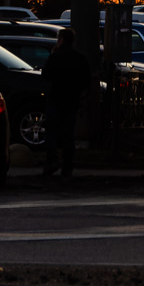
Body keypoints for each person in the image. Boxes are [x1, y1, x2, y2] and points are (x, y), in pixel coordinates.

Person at [41, 28, 91, 177]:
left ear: (61, 40)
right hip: (72, 100)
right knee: (68, 134)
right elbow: (86, 80)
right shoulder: (80, 58)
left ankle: (52, 161)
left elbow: (46, 75)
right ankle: (67, 166)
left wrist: (52, 54)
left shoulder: (55, 57)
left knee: (51, 132)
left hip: (56, 99)